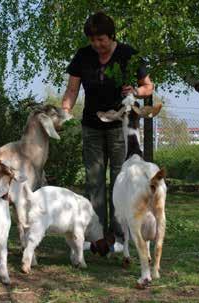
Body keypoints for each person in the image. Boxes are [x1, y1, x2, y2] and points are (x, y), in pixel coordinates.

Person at [61, 12, 154, 238]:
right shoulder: (82, 57)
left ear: (111, 36)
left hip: (120, 128)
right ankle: (96, 235)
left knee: (120, 182)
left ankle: (122, 235)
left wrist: (135, 91)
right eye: (92, 40)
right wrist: (64, 112)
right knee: (94, 181)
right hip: (92, 127)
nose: (96, 44)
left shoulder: (128, 54)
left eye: (101, 39)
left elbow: (148, 87)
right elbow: (72, 90)